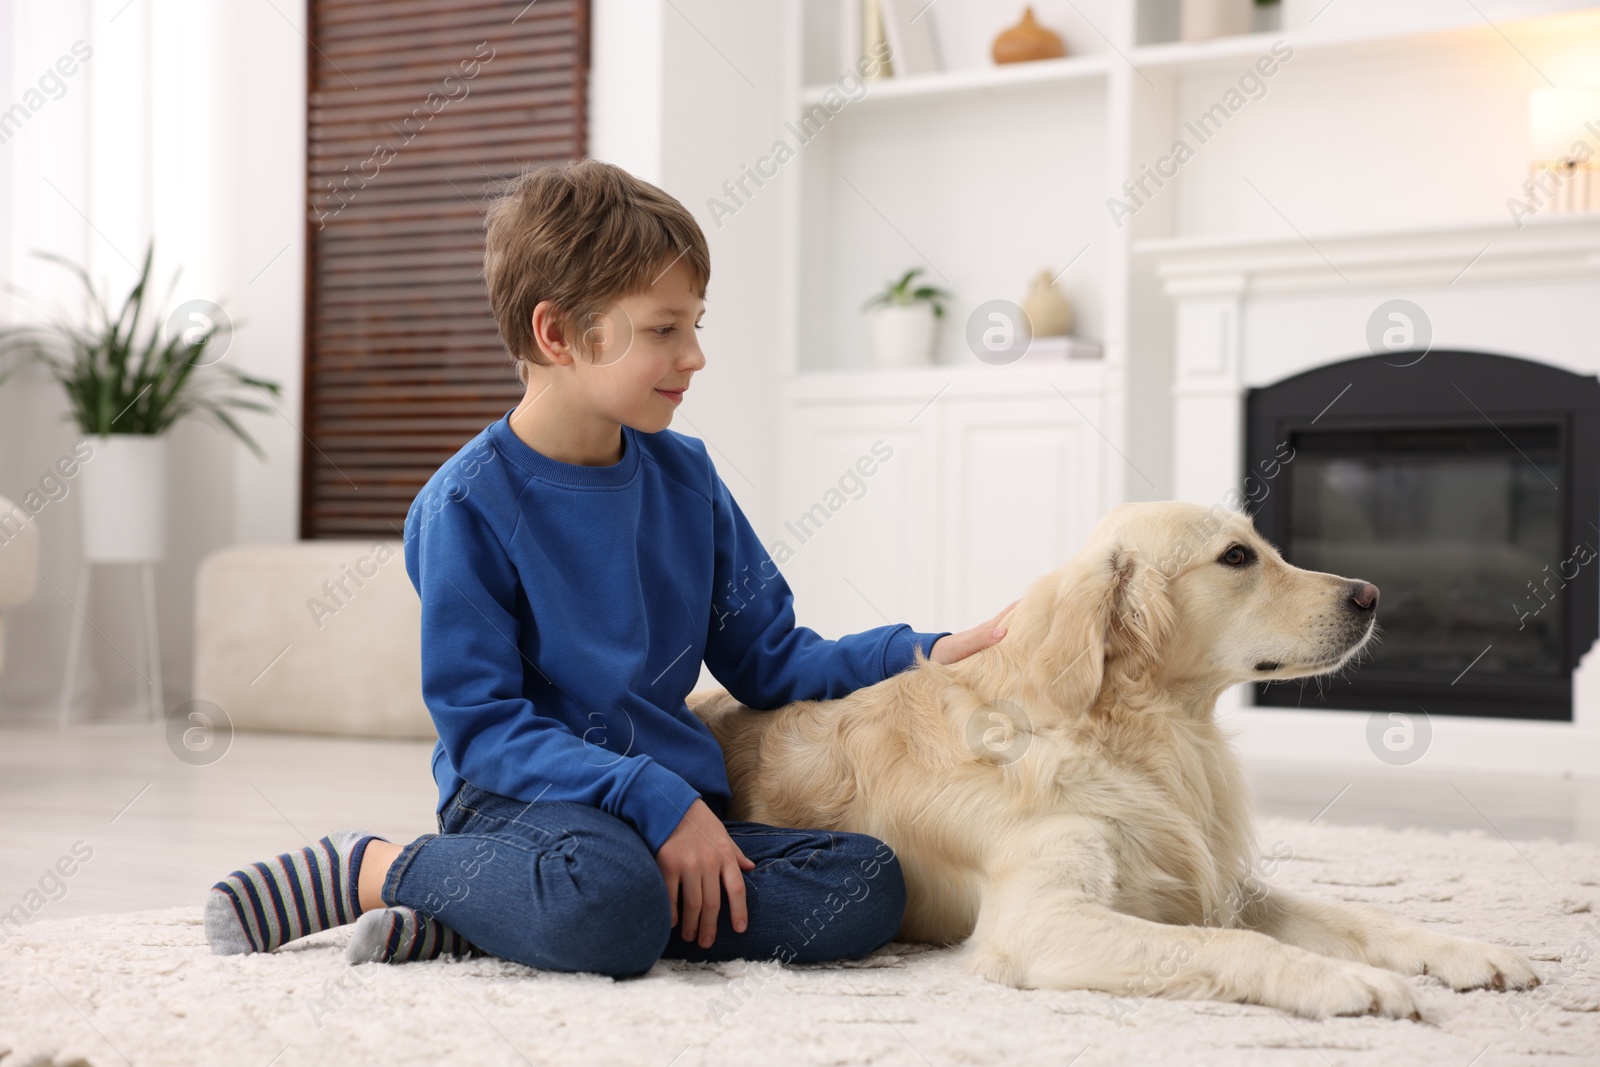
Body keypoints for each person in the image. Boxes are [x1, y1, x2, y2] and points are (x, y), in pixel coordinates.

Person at [203, 159, 1013, 975]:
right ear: (557, 335)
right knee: (608, 898)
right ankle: (378, 869)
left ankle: (493, 912)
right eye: (664, 329)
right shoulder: (467, 505)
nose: (693, 355)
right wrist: (649, 795)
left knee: (866, 881)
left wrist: (921, 652)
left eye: (696, 324)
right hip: (522, 799)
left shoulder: (687, 478)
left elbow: (769, 661)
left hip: (665, 806)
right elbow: (483, 729)